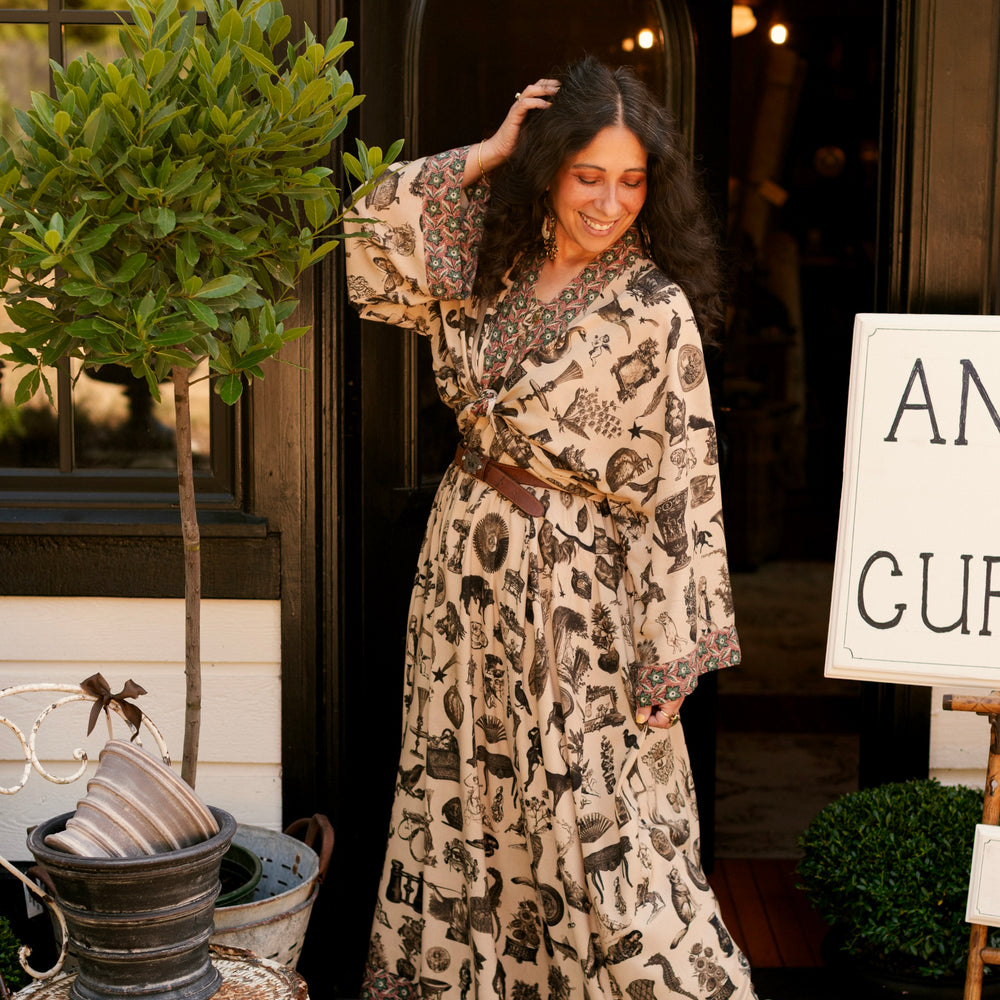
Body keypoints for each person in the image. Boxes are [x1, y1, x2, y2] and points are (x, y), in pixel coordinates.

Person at [346, 55, 756, 1000]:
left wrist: (673, 653)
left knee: (599, 827)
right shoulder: (492, 255)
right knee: (464, 805)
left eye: (631, 180)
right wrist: (488, 153)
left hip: (577, 596)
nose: (609, 202)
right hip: (461, 572)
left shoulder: (656, 313)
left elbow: (683, 492)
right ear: (551, 169)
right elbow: (370, 241)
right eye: (588, 175)